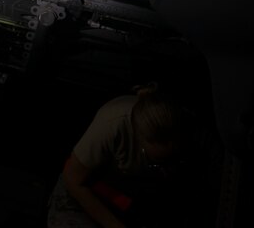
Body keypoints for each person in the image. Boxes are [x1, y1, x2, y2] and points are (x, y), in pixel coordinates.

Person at [47, 83, 200, 228]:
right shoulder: (112, 125)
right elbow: (74, 180)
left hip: (127, 191)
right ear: (139, 139)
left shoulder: (186, 126)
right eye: (157, 161)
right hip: (84, 187)